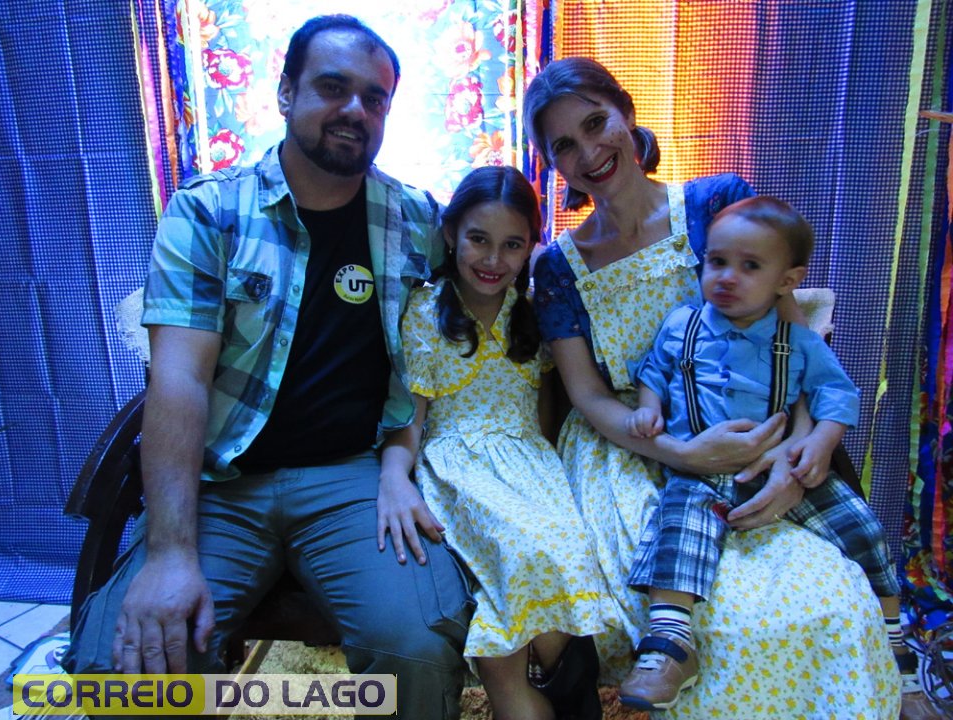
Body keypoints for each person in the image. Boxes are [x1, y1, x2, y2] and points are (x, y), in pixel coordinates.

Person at [62, 15, 474, 719]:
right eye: (332, 87)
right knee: (124, 666)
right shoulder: (209, 214)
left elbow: (494, 281)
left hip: (354, 479)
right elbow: (179, 381)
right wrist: (169, 554)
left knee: (417, 645)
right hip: (224, 483)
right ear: (285, 93)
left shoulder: (415, 219)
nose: (355, 110)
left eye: (374, 98)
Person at [524, 57, 901, 718]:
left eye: (596, 123)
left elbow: (792, 344)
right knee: (719, 618)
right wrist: (683, 454)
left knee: (833, 597)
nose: (588, 152)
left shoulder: (714, 205)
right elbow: (587, 397)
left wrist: (795, 457)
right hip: (633, 449)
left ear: (627, 114)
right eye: (563, 145)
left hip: (759, 431)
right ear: (551, 164)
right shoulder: (558, 267)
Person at [619, 195, 906, 711]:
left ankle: (895, 648)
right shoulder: (682, 325)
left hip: (780, 463)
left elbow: (836, 394)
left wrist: (819, 441)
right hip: (700, 467)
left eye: (750, 267)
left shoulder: (798, 341)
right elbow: (654, 372)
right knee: (678, 527)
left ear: (787, 281)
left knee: (862, 527)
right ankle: (668, 645)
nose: (727, 277)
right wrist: (647, 407)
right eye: (717, 261)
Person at [379, 165, 615, 720]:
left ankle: (564, 692)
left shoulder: (531, 313)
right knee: (522, 548)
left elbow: (546, 413)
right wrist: (395, 474)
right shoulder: (425, 312)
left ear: (532, 245)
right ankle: (570, 700)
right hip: (457, 465)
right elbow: (410, 420)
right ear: (451, 234)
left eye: (512, 244)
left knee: (566, 547)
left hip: (531, 463)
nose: (493, 259)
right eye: (479, 240)